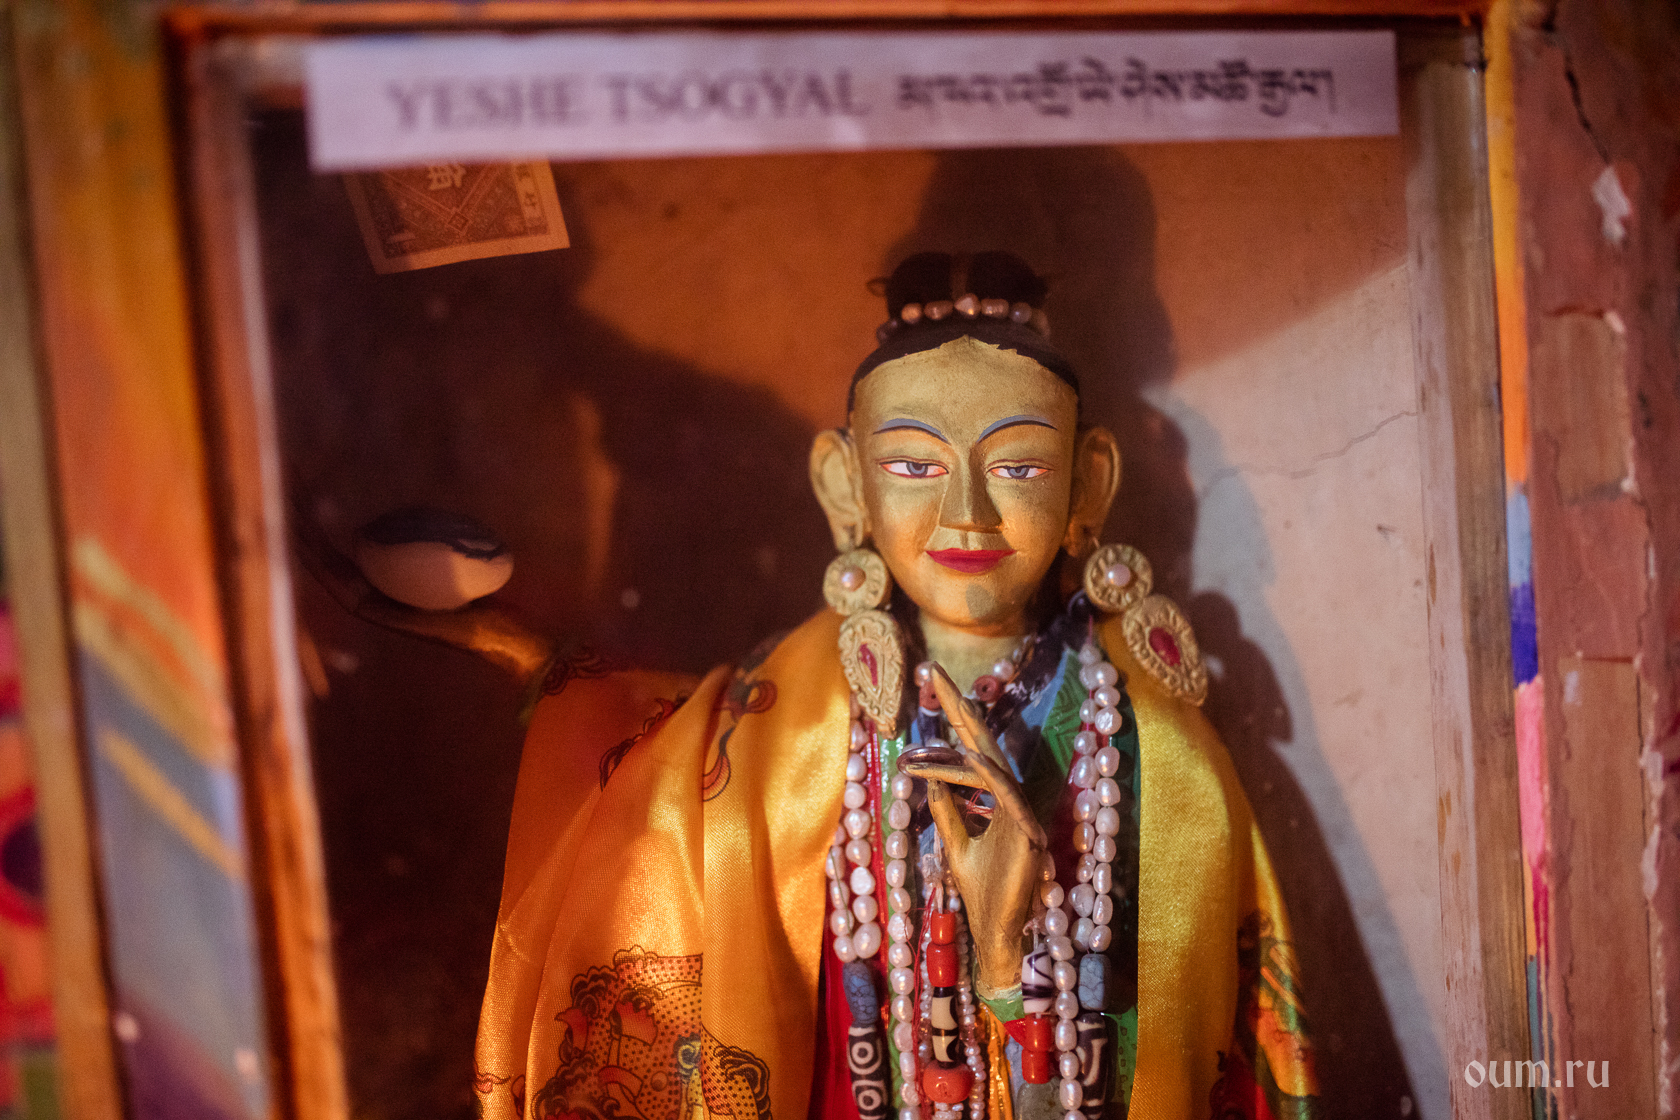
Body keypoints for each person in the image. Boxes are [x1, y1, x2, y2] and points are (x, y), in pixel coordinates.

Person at [328, 252, 1318, 1120]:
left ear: (1088, 484)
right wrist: (537, 662)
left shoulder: (1160, 767)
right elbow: (663, 797)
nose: (966, 512)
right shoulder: (789, 731)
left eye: (1018, 466)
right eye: (912, 465)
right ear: (845, 484)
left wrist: (1009, 970)